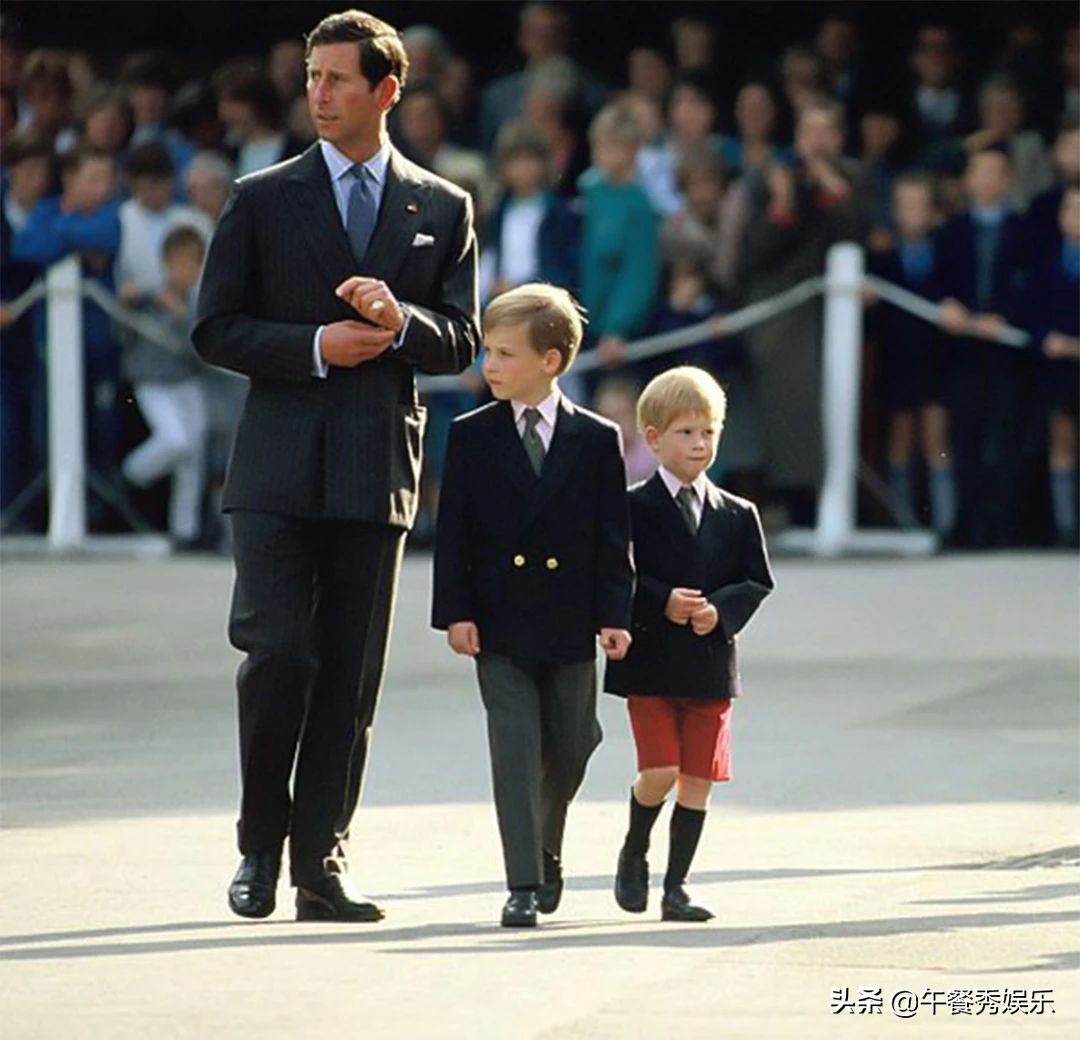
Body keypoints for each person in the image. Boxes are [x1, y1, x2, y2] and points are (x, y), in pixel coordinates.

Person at [192, 8, 480, 924]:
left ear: (385, 91)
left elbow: (463, 341)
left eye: (336, 79)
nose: (317, 93)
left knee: (350, 678)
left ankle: (322, 861)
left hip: (374, 467)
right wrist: (318, 344)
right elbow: (216, 328)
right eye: (311, 77)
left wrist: (401, 322)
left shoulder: (442, 206)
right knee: (279, 653)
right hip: (275, 469)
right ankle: (257, 847)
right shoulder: (262, 196)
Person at [432, 283, 633, 928]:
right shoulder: (471, 435)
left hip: (573, 619)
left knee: (574, 742)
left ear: (550, 361)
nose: (489, 366)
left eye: (505, 354)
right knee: (515, 746)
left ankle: (547, 843)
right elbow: (453, 532)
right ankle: (522, 881)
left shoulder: (597, 439)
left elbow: (612, 537)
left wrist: (615, 615)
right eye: (487, 352)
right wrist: (455, 612)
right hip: (498, 620)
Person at [605, 366, 773, 922]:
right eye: (685, 432)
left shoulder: (738, 513)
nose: (699, 444)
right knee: (659, 770)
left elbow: (757, 581)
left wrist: (720, 612)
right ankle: (635, 850)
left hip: (708, 665)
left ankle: (676, 887)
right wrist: (659, 603)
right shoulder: (629, 507)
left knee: (697, 780)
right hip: (650, 664)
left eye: (708, 432)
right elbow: (610, 574)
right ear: (651, 438)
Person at [935, 145, 1031, 547]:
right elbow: (939, 282)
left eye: (996, 172)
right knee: (965, 438)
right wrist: (951, 307)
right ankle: (965, 525)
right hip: (963, 350)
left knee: (1006, 437)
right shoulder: (952, 230)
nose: (987, 180)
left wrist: (1005, 315)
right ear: (968, 180)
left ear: (1008, 179)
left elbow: (1033, 284)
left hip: (1008, 350)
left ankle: (1006, 526)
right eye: (980, 172)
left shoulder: (1026, 229)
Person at [868, 173, 956, 537]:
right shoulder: (883, 254)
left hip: (937, 355)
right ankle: (903, 521)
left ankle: (945, 523)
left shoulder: (946, 248)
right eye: (904, 207)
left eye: (919, 206)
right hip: (898, 355)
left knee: (936, 440)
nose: (912, 214)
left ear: (933, 211)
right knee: (901, 439)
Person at [117, 226, 208, 548]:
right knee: (176, 441)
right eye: (178, 263)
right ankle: (130, 474)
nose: (185, 271)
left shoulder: (200, 303)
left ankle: (185, 530)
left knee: (192, 458)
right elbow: (123, 321)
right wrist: (135, 300)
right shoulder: (149, 296)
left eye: (192, 263)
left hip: (188, 382)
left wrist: (181, 314)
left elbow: (199, 345)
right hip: (153, 383)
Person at [577, 104, 659, 382]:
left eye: (612, 146)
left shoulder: (639, 205)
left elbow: (638, 273)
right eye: (598, 145)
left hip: (614, 339)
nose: (603, 153)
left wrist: (618, 329)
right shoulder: (585, 194)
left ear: (632, 150)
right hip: (580, 326)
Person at [1027, 186, 1080, 546]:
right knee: (1061, 444)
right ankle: (1066, 527)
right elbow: (1032, 313)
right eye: (1071, 209)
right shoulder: (1047, 262)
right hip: (1059, 370)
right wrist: (1045, 337)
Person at [115, 143, 213, 301]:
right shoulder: (120, 220)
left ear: (172, 181)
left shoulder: (197, 221)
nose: (155, 191)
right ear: (133, 184)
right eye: (148, 185)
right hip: (137, 315)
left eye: (161, 183)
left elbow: (209, 274)